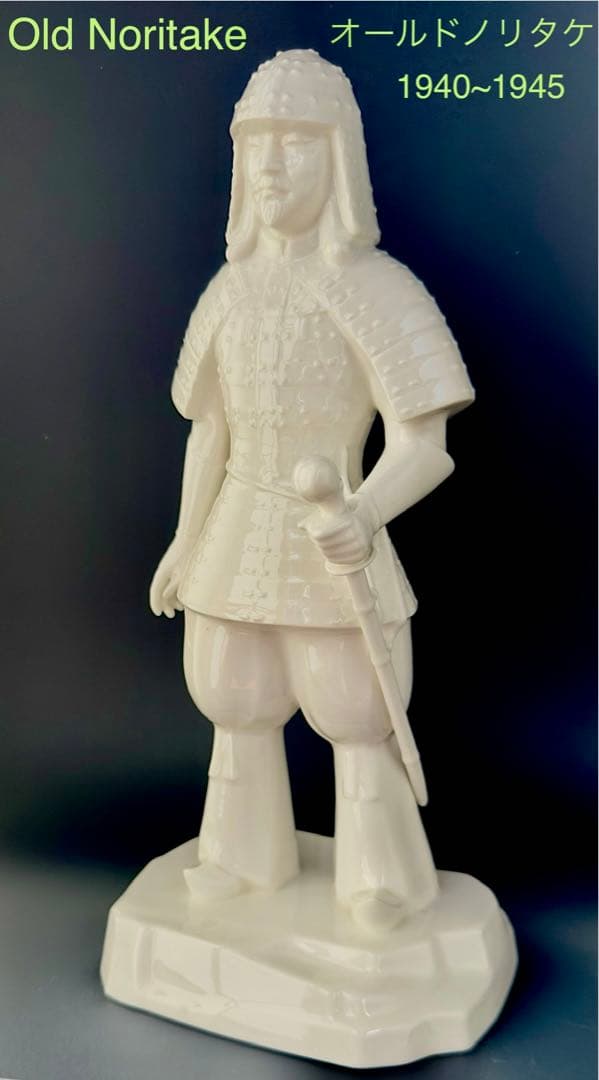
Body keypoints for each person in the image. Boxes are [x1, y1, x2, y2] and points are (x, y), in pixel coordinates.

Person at [150, 50, 474, 932]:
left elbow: (424, 444)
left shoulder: (378, 289)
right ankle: (239, 859)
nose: (269, 163)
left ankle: (378, 881)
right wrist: (184, 540)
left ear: (337, 154)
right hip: (234, 531)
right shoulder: (227, 291)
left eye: (293, 140)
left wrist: (364, 512)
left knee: (354, 710)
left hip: (331, 538)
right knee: (232, 697)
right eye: (255, 142)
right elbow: (209, 429)